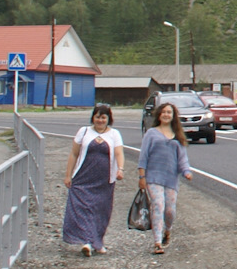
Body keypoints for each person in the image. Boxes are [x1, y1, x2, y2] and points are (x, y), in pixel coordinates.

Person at [62, 105, 123, 256]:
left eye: (103, 117)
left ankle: (98, 241)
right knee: (84, 209)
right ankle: (87, 242)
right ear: (92, 118)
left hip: (104, 181)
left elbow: (119, 153)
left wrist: (120, 169)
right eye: (97, 117)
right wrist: (68, 175)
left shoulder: (114, 134)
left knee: (101, 211)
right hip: (84, 178)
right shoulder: (84, 132)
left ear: (108, 119)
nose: (100, 120)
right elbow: (74, 154)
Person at [138, 101, 193, 255]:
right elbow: (143, 156)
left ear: (173, 116)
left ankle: (167, 231)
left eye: (169, 112)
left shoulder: (178, 137)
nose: (166, 115)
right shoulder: (151, 134)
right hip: (153, 177)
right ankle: (157, 242)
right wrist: (142, 176)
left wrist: (186, 172)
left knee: (169, 211)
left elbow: (183, 159)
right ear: (159, 115)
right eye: (164, 112)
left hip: (171, 179)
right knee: (157, 205)